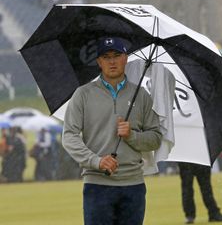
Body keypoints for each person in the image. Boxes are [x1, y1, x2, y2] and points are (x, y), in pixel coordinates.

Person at [62, 37, 162, 225]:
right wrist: (96, 161)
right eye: (106, 57)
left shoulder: (141, 96)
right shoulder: (83, 94)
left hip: (133, 186)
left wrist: (132, 136)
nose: (112, 61)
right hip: (97, 185)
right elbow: (69, 136)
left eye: (117, 55)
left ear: (125, 58)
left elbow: (155, 138)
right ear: (99, 62)